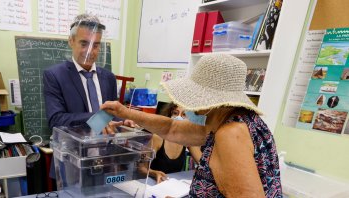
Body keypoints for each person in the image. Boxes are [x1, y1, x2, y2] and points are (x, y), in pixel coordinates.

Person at [101, 53, 282, 197]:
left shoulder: (230, 133)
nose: (187, 108)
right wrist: (125, 112)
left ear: (210, 100)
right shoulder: (225, 122)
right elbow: (171, 128)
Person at [43, 13, 126, 131]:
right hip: (74, 147)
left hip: (105, 146)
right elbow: (56, 119)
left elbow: (113, 115)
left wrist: (123, 120)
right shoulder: (55, 76)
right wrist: (98, 117)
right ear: (71, 41)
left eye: (95, 45)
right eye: (84, 44)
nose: (90, 51)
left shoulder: (109, 78)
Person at [144, 103, 202, 183]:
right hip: (153, 183)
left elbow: (203, 164)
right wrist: (154, 173)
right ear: (169, 115)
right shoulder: (158, 138)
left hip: (172, 185)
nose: (179, 117)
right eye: (175, 113)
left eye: (184, 114)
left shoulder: (187, 140)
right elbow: (141, 168)